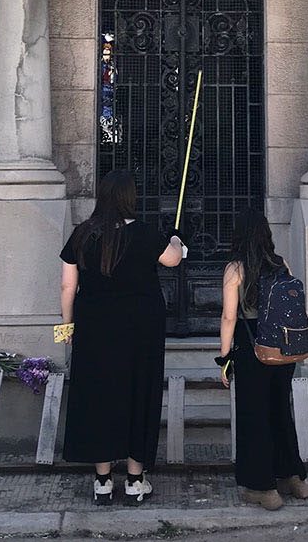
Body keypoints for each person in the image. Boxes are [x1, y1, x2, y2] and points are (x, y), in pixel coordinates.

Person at [59, 168, 185, 505]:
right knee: (139, 395)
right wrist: (175, 237)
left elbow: (67, 286)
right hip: (141, 328)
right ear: (131, 198)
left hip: (94, 328)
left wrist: (68, 327)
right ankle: (134, 478)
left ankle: (102, 481)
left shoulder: (82, 234)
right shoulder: (145, 233)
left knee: (99, 397)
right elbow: (173, 259)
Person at [217, 210, 308, 511]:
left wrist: (224, 356)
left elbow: (230, 316)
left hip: (252, 344)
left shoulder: (235, 269)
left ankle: (263, 488)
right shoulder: (280, 262)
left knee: (253, 415)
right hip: (283, 347)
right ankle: (295, 479)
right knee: (280, 410)